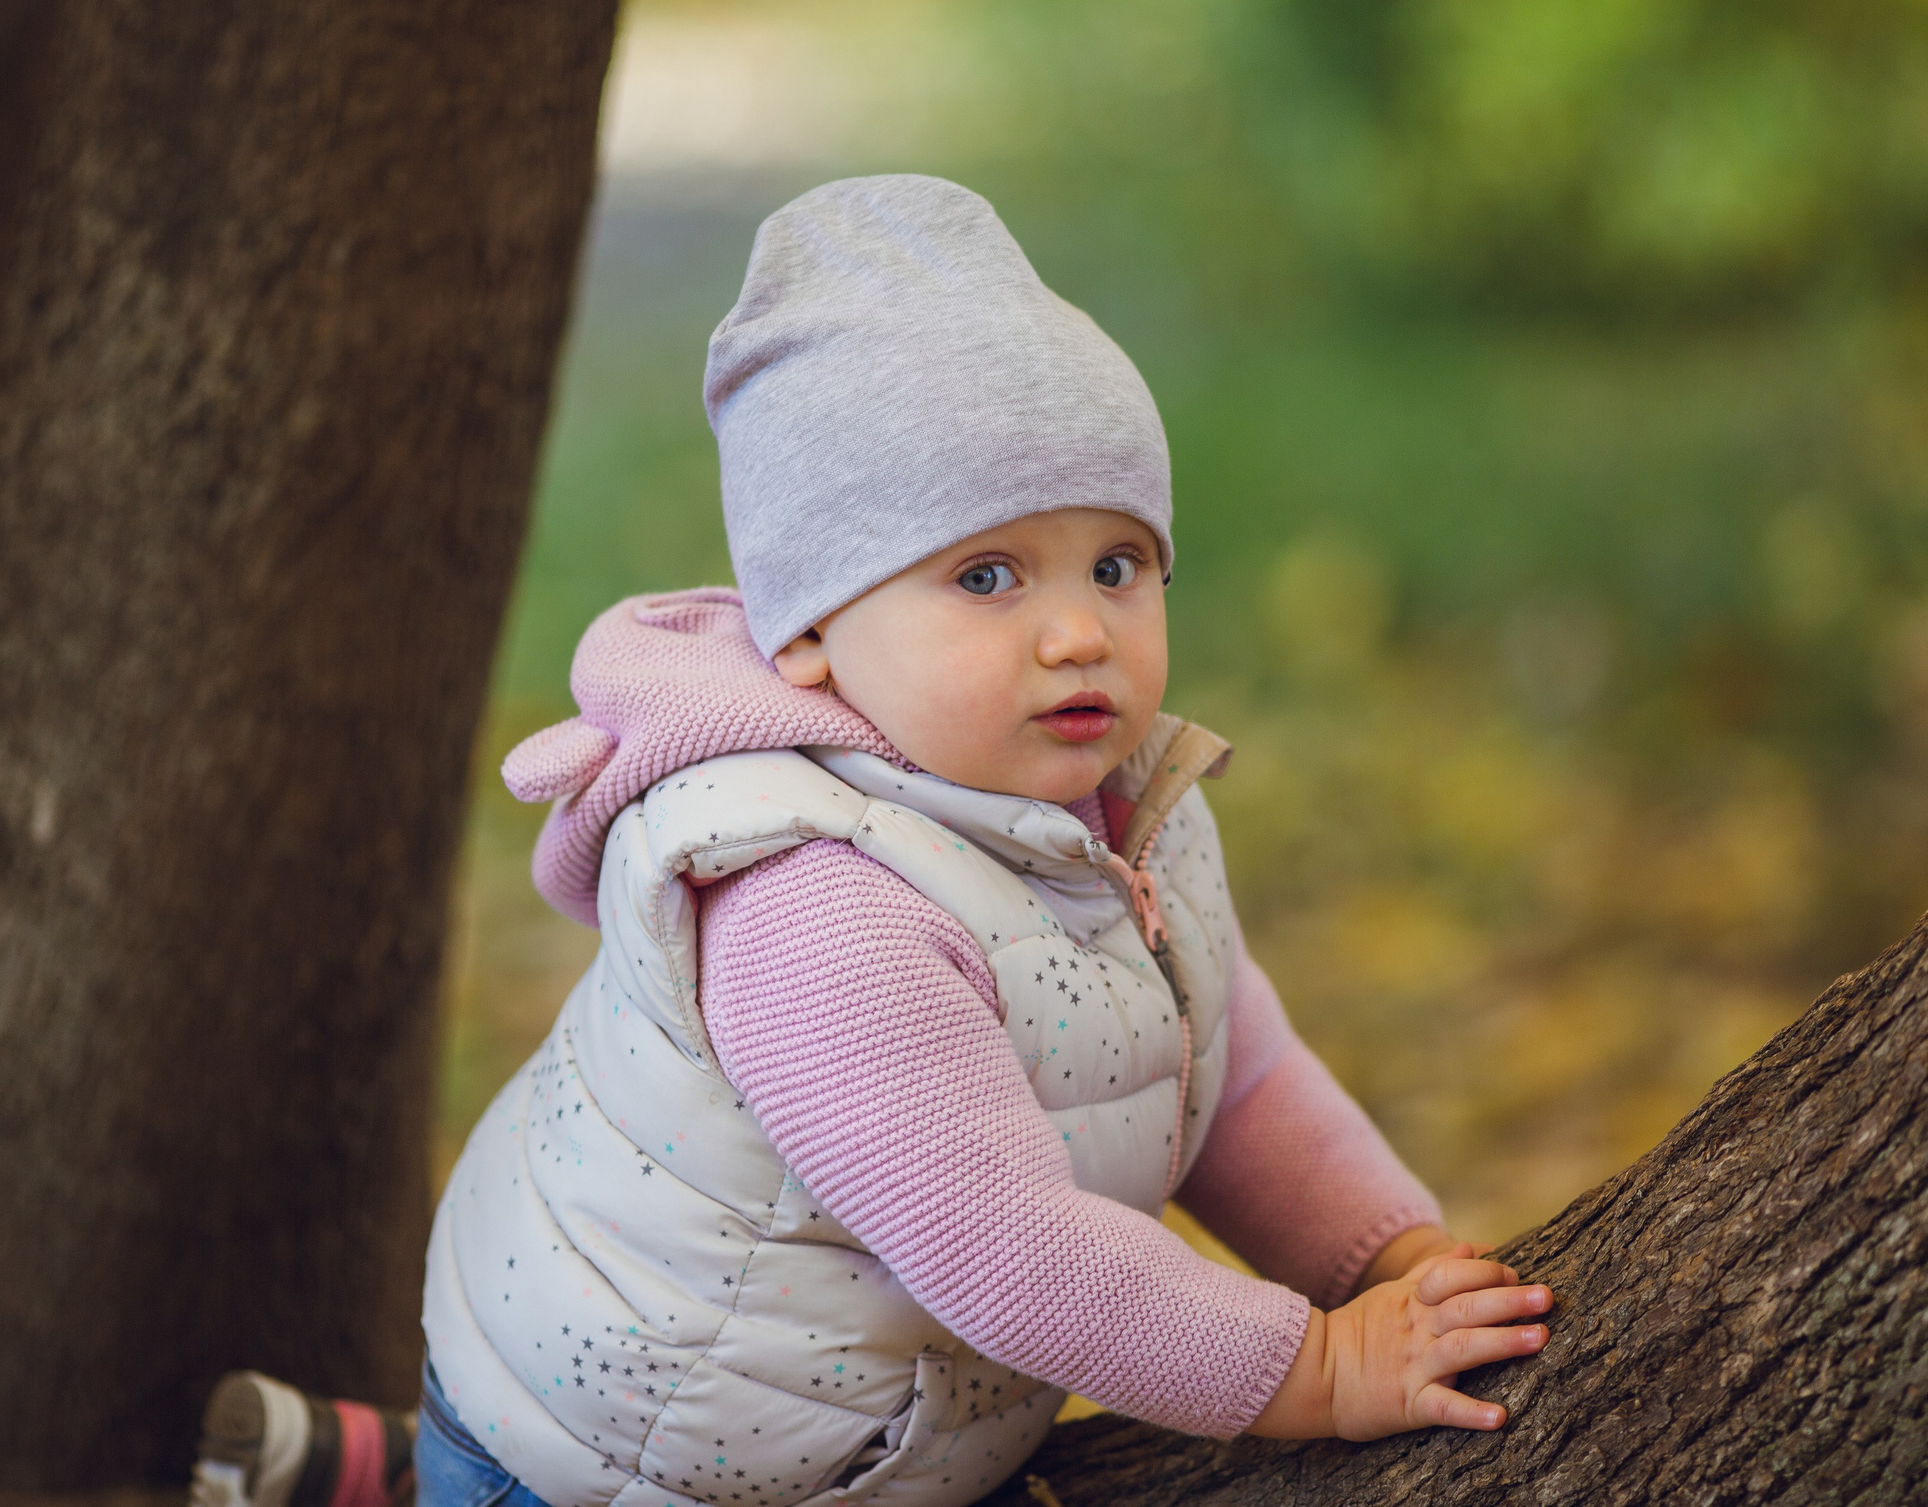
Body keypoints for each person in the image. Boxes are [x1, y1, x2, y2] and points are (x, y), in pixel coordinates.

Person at [192, 176, 1550, 1507]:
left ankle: (357, 1468)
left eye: (1117, 565)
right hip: (625, 1458)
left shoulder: (1122, 814)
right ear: (812, 635)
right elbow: (1001, 1247)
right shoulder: (815, 902)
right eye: (987, 576)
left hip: (817, 1411)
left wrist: (1382, 1258)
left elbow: (1236, 1072)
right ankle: (431, 1479)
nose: (1078, 630)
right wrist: (1312, 1370)